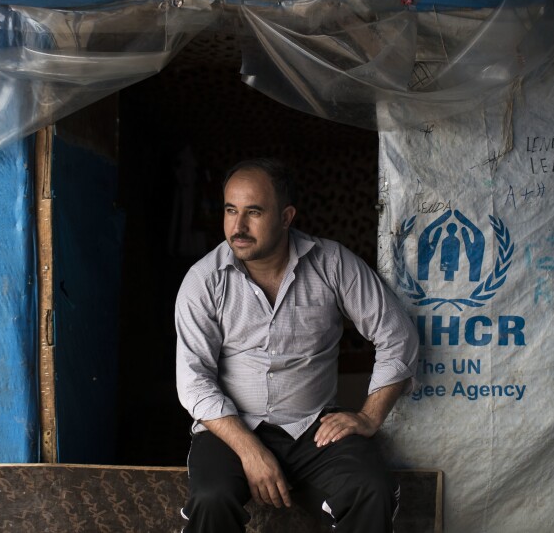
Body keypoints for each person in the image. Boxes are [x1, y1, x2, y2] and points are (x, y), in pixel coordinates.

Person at [175, 158, 419, 532]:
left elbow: (397, 335)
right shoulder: (203, 281)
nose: (237, 227)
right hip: (231, 431)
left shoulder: (332, 264)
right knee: (211, 498)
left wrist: (369, 416)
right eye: (230, 210)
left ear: (286, 217)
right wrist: (250, 450)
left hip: (314, 430)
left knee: (371, 489)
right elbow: (194, 381)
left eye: (253, 212)